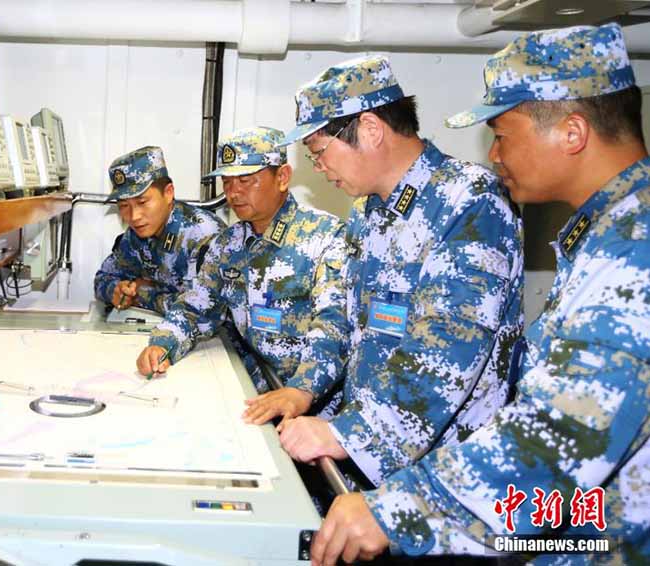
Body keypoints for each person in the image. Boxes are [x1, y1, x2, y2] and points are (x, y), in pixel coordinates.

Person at [310, 23, 650, 565]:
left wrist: (401, 509)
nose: (493, 154)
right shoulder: (607, 234)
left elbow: (566, 430)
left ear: (572, 133)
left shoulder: (635, 247)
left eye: (503, 134)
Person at [254, 55, 524, 491]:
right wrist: (305, 387)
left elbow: (446, 351)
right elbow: (342, 316)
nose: (319, 168)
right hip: (374, 463)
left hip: (446, 477)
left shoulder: (469, 202)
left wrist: (349, 434)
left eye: (319, 153)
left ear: (370, 129)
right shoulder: (368, 211)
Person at [136, 127, 348, 399]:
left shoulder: (326, 236)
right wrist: (163, 343)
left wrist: (301, 391)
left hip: (317, 402)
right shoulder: (228, 245)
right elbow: (196, 308)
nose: (233, 193)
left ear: (282, 177)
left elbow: (334, 326)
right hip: (257, 387)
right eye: (226, 182)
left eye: (245, 180)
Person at [94, 146, 224, 314]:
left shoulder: (203, 234)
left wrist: (142, 294)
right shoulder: (136, 235)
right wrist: (116, 290)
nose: (134, 216)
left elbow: (203, 309)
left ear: (168, 193)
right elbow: (102, 278)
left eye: (142, 202)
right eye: (124, 205)